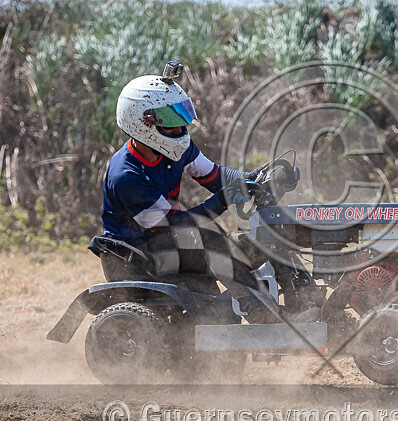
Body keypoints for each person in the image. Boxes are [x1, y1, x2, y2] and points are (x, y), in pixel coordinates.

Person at [98, 62, 311, 323]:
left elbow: (215, 177)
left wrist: (257, 178)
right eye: (170, 120)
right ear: (142, 123)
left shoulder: (177, 147)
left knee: (266, 239)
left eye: (181, 117)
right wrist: (225, 198)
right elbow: (178, 224)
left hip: (170, 246)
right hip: (138, 258)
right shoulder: (126, 176)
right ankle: (261, 313)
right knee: (208, 234)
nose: (180, 128)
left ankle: (308, 305)